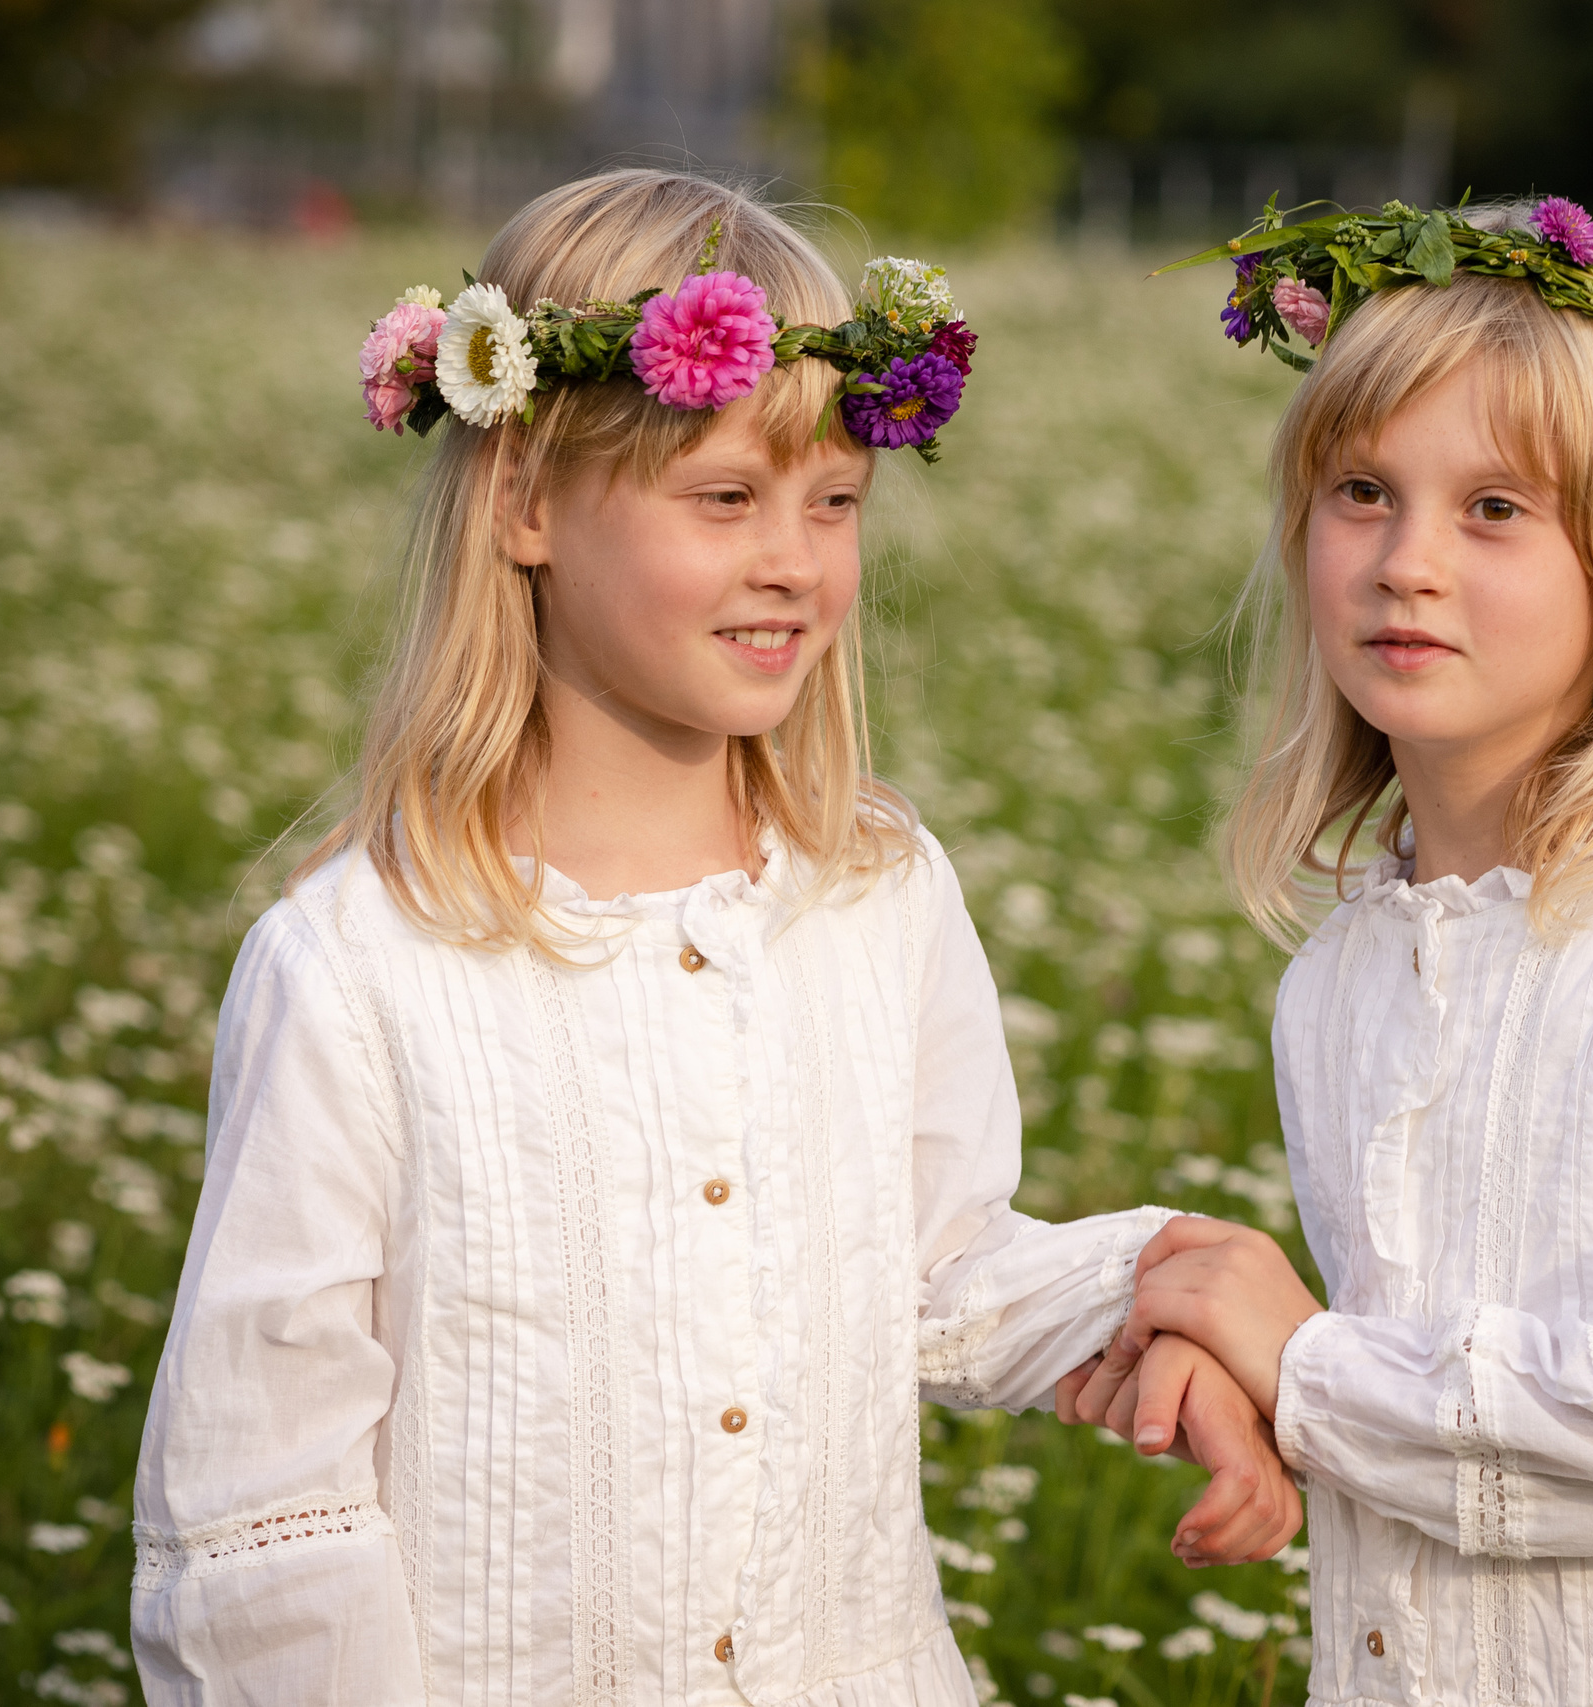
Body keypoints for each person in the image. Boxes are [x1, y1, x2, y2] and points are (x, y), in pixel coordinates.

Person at [129, 168, 1295, 1707]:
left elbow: (935, 1264)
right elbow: (270, 1508)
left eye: (836, 503)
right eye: (727, 499)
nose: (795, 562)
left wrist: (1165, 1301)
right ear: (524, 500)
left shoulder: (875, 892)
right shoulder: (361, 966)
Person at [1060, 199, 1593, 1707]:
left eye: (1494, 509)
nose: (1407, 562)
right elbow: (1424, 1376)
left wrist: (1307, 1372)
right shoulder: (1340, 978)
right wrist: (1261, 1397)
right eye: (1361, 492)